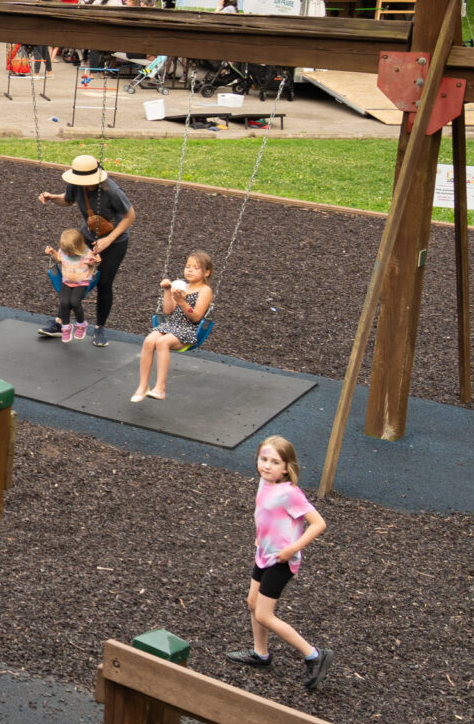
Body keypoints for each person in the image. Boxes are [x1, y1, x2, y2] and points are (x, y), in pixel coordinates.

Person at [228, 435, 328, 686]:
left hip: (282, 561)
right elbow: (263, 514)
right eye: (264, 459)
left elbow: (318, 524)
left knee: (264, 615)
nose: (267, 466)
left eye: (275, 462)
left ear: (287, 467)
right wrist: (259, 537)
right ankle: (261, 653)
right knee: (252, 602)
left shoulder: (289, 493)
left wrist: (291, 549)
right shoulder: (264, 482)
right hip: (264, 554)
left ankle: (314, 655)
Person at [37, 153, 134, 344]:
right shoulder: (76, 182)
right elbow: (68, 199)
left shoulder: (111, 191)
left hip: (115, 241)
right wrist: (52, 197)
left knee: (103, 282)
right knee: (71, 277)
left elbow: (130, 216)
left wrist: (109, 239)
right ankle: (60, 322)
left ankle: (100, 328)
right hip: (87, 237)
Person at [134, 251, 216, 401]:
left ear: (207, 272)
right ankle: (143, 385)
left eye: (196, 268)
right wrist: (167, 291)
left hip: (189, 330)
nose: (190, 270)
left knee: (162, 342)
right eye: (188, 266)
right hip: (171, 326)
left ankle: (160, 388)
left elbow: (196, 317)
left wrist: (182, 302)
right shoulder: (181, 285)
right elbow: (168, 310)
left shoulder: (205, 290)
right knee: (149, 341)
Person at [45, 228, 101, 340]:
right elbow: (59, 259)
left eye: (68, 251)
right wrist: (52, 252)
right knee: (64, 303)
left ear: (77, 248)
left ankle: (81, 325)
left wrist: (97, 260)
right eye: (64, 250)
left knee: (74, 302)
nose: (66, 253)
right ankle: (65, 327)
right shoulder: (64, 252)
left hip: (81, 283)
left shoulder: (86, 255)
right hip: (66, 282)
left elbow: (95, 262)